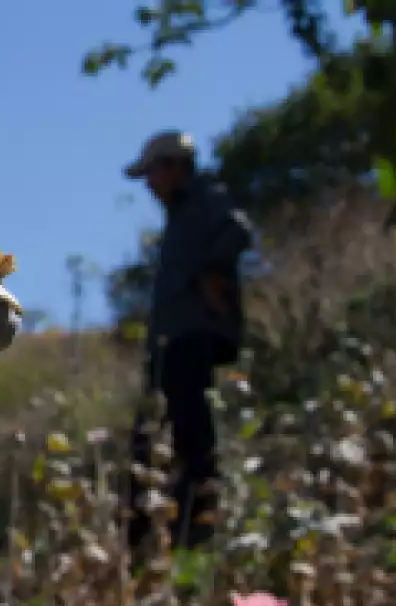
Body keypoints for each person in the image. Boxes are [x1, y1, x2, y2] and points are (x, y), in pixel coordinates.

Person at [121, 130, 254, 551]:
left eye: (152, 172)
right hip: (173, 340)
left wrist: (213, 275)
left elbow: (237, 231)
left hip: (190, 336)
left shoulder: (204, 200)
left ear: (173, 166)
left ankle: (193, 524)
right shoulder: (183, 213)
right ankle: (151, 534)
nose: (149, 184)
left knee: (186, 434)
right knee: (153, 436)